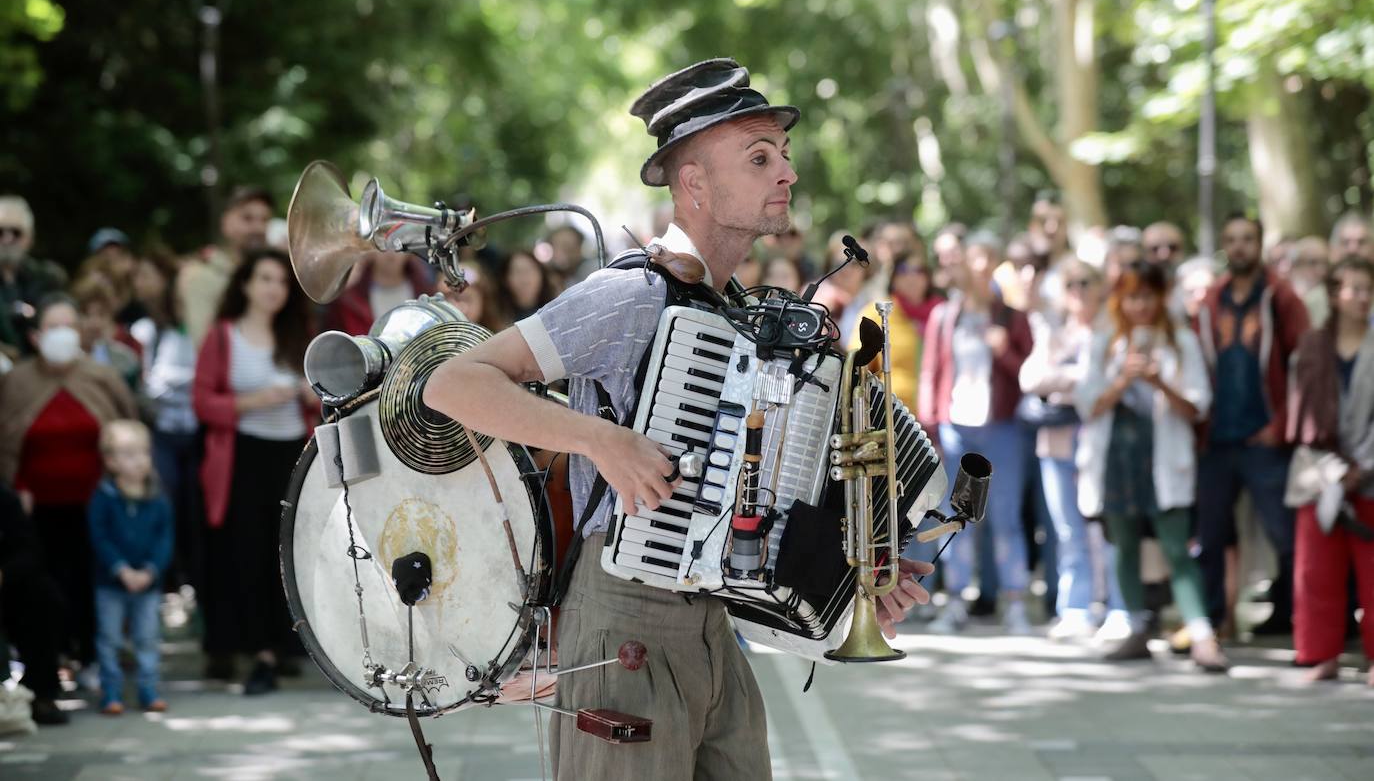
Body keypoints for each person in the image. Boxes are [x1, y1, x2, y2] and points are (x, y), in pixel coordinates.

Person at [422, 58, 932, 780]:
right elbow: (455, 383)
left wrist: (861, 568)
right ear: (694, 183)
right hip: (625, 621)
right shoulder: (629, 295)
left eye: (783, 156)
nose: (786, 173)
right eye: (759, 158)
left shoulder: (735, 307)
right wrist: (601, 441)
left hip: (713, 627)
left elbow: (764, 498)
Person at [1075, 262, 1225, 669]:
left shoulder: (1181, 341)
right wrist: (1122, 381)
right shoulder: (1104, 341)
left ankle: (1201, 635)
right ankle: (1138, 628)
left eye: (1147, 295)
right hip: (1117, 459)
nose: (1139, 305)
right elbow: (1088, 404)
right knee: (1124, 545)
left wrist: (1161, 383)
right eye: (1131, 296)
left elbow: (1197, 407)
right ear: (1119, 300)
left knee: (1176, 546)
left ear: (1161, 297)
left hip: (1162, 457)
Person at [193, 248, 316, 693]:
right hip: (241, 458)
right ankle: (260, 652)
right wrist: (251, 403)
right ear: (245, 284)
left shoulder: (297, 335)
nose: (273, 289)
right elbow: (202, 401)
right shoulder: (222, 336)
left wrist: (308, 395)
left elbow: (328, 395)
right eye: (264, 278)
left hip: (292, 455)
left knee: (286, 552)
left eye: (281, 282)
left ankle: (287, 647)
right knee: (246, 553)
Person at [0, 294, 138, 672]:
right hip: (36, 510)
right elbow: (7, 442)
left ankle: (97, 657)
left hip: (97, 504)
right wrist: (18, 487)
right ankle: (52, 659)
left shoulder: (102, 377)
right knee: (48, 585)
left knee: (94, 581)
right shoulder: (16, 382)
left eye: (69, 327)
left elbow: (128, 429)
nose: (62, 334)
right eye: (53, 327)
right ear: (36, 336)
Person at [1195, 213, 1310, 636]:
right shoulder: (1211, 301)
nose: (1240, 246)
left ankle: (1299, 621)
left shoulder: (1281, 298)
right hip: (1217, 438)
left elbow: (1306, 365)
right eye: (1232, 239)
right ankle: (1211, 623)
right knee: (1211, 536)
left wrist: (1282, 425)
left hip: (1265, 437)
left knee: (1287, 535)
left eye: (1247, 239)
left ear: (1259, 244)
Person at [919, 231, 1034, 634]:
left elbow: (1028, 375)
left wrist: (1002, 349)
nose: (981, 267)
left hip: (1000, 428)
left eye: (989, 259)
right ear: (964, 264)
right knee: (956, 517)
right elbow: (931, 372)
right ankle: (954, 602)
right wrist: (930, 425)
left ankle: (1015, 601)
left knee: (1005, 519)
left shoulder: (1012, 317)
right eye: (975, 259)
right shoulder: (945, 315)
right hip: (955, 429)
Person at [1019, 259, 1128, 642]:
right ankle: (1076, 608)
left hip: (1098, 442)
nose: (1078, 291)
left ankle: (1118, 606)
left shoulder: (1112, 330)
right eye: (1070, 285)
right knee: (1068, 531)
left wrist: (1061, 381)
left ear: (1100, 286)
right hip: (1056, 444)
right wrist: (1071, 378)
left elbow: (1101, 385)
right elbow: (1030, 377)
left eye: (1085, 282)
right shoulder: (1057, 331)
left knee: (1105, 529)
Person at [1285, 256, 1374, 685]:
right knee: (1315, 569)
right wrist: (1331, 470)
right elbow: (1299, 413)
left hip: (1370, 471)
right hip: (1316, 469)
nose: (1359, 297)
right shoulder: (1312, 347)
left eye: (1366, 289)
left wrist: (1362, 467)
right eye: (1351, 288)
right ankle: (1321, 653)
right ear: (1336, 294)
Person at [88, 419, 172, 714]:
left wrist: (150, 570)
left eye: (143, 453)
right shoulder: (103, 498)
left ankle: (148, 688)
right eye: (129, 454)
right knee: (110, 638)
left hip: (147, 584)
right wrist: (121, 570)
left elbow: (165, 538)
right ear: (110, 461)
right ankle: (111, 690)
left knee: (147, 637)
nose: (139, 461)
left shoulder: (157, 498)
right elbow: (100, 538)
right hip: (111, 584)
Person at [129, 249, 200, 594]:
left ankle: (190, 578)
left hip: (197, 430)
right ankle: (168, 579)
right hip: (163, 431)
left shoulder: (196, 327)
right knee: (164, 501)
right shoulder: (148, 330)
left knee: (193, 507)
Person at [0, 482, 70, 724]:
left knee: (44, 597)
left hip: (6, 583)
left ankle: (41, 693)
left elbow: (29, 550)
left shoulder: (4, 498)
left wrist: (3, 574)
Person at [178, 186, 274, 348]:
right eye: (247, 218)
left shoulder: (272, 275)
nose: (258, 228)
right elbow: (205, 347)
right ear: (226, 223)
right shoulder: (201, 276)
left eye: (264, 220)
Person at [850, 250, 942, 409]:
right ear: (893, 279)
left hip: (940, 415)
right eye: (903, 271)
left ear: (928, 277)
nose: (912, 277)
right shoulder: (877, 313)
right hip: (893, 414)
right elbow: (856, 365)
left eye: (919, 270)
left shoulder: (943, 312)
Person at [0, 195, 67, 357]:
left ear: (29, 238)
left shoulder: (48, 278)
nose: (7, 239)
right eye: (0, 232)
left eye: (16, 233)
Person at [321, 252, 434, 336]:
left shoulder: (426, 294)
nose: (392, 251)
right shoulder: (349, 299)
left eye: (399, 242)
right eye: (383, 243)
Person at [437, 261, 510, 331]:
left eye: (464, 299)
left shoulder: (500, 339)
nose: (454, 306)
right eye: (446, 298)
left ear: (484, 302)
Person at [498, 249, 558, 322]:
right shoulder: (497, 318)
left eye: (529, 271)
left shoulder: (556, 312)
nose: (525, 280)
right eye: (518, 272)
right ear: (505, 279)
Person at [1287, 236, 1330, 328]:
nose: (1322, 271)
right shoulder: (1284, 298)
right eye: (1313, 263)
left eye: (1325, 263)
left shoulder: (1331, 299)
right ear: (1295, 266)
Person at [547, 224, 597, 290]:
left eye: (569, 247)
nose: (563, 252)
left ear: (579, 249)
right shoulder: (545, 277)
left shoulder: (591, 270)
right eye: (558, 245)